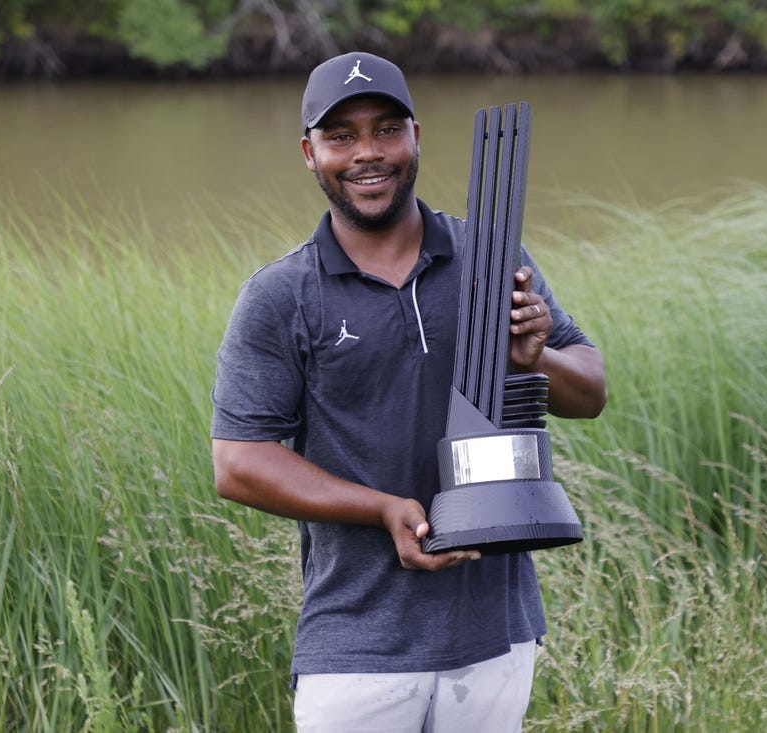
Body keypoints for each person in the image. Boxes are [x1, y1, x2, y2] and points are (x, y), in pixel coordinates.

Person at [211, 51, 607, 733]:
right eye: (342, 137)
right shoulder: (281, 295)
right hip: (356, 644)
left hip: (496, 634)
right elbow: (239, 461)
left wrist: (537, 357)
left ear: (417, 136)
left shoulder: (491, 253)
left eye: (387, 129)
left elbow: (589, 390)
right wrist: (385, 509)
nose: (369, 153)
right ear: (310, 153)